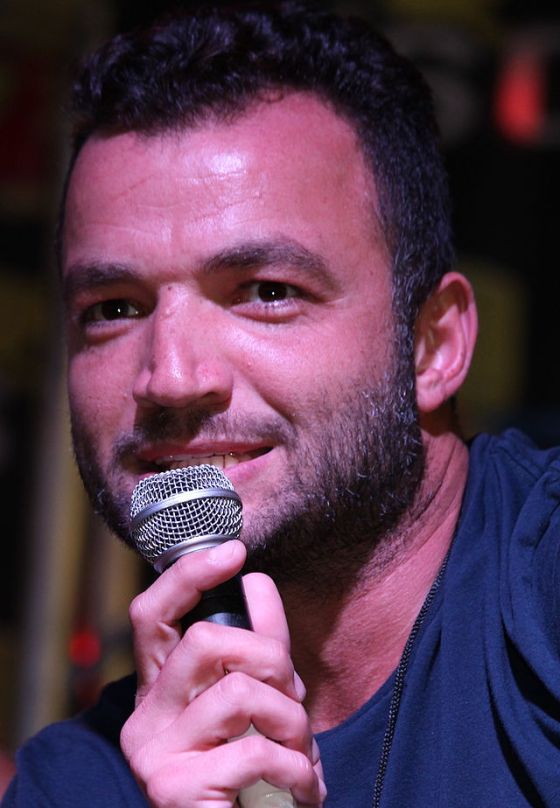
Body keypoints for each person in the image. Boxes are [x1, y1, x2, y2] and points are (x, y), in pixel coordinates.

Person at [4, 2, 560, 806]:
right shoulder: (79, 784)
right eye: (114, 308)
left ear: (433, 347)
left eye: (267, 292)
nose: (169, 375)